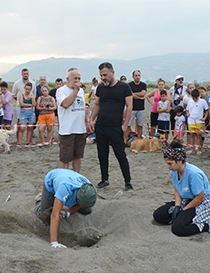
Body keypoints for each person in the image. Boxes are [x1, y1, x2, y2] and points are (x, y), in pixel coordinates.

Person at [151, 142, 210, 237]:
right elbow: (177, 189)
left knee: (178, 229)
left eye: (170, 163)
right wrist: (177, 206)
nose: (168, 167)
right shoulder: (175, 171)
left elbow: (199, 198)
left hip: (199, 202)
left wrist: (184, 210)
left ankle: (209, 226)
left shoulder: (193, 174)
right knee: (158, 215)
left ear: (179, 161)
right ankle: (181, 217)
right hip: (186, 199)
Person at [88, 62, 135, 191]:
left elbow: (130, 106)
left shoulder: (124, 87)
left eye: (105, 75)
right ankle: (104, 179)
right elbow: (97, 104)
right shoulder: (101, 88)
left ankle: (128, 181)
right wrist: (91, 120)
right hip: (101, 125)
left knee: (120, 154)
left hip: (116, 126)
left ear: (112, 73)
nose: (103, 78)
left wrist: (125, 125)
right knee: (102, 154)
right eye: (101, 75)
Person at [34, 168, 98, 248]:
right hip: (52, 181)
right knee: (44, 215)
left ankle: (58, 201)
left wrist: (68, 212)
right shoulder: (65, 188)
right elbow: (55, 214)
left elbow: (83, 204)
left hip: (68, 176)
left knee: (86, 211)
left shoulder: (89, 188)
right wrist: (54, 242)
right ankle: (41, 199)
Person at [57, 68, 90, 173]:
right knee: (65, 158)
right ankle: (63, 181)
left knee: (78, 157)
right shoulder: (61, 91)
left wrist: (87, 122)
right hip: (67, 130)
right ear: (68, 79)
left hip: (80, 129)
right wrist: (75, 91)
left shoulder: (81, 91)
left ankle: (76, 178)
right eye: (75, 78)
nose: (77, 81)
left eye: (79, 78)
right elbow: (65, 104)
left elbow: (83, 108)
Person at [184, 88, 208, 154]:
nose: (195, 99)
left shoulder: (203, 101)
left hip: (199, 121)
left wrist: (205, 117)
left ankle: (199, 149)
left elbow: (207, 109)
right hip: (191, 121)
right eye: (193, 98)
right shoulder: (190, 101)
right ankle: (192, 149)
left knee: (198, 136)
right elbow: (187, 109)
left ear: (199, 96)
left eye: (196, 98)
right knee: (192, 135)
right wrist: (188, 113)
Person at [128, 70, 148, 140]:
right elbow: (130, 95)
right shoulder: (129, 85)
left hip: (141, 109)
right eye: (136, 75)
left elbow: (143, 93)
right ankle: (126, 139)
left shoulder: (143, 85)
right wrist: (139, 97)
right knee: (128, 124)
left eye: (138, 75)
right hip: (132, 108)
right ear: (133, 76)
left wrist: (133, 94)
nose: (137, 77)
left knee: (140, 125)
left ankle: (139, 139)